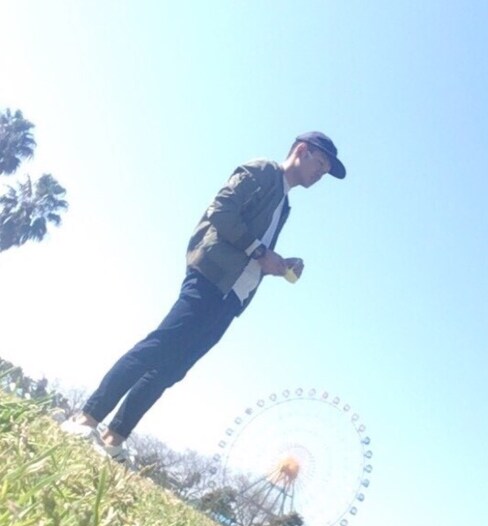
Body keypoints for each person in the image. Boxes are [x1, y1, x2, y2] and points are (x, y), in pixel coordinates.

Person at [61, 132, 346, 462]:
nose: (321, 174)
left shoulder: (285, 206)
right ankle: (87, 418)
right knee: (159, 346)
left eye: (325, 171)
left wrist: (279, 265)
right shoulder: (263, 171)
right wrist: (260, 252)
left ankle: (114, 438)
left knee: (174, 367)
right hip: (211, 276)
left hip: (233, 297)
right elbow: (221, 211)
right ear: (301, 150)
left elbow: (257, 251)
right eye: (320, 164)